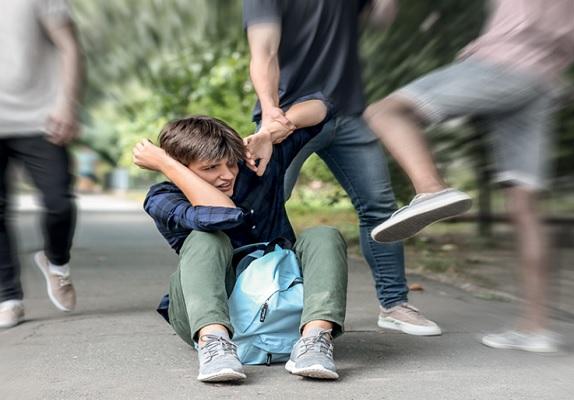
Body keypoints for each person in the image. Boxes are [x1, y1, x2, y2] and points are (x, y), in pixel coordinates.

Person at [364, 0, 574, 352]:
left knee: (385, 112)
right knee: (525, 208)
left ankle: (431, 190)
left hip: (501, 62)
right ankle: (536, 328)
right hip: (542, 80)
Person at [243, 0, 457, 337]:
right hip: (288, 117)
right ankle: (257, 304)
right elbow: (263, 51)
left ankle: (394, 304)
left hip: (347, 115)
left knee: (379, 208)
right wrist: (270, 111)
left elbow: (382, 17)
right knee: (264, 207)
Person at [133, 103, 348, 382]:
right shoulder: (163, 198)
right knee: (205, 238)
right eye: (210, 168)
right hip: (209, 314)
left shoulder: (256, 164)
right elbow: (223, 214)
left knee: (324, 235)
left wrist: (268, 134)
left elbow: (323, 109)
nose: (227, 174)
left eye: (230, 163)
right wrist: (165, 162)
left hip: (284, 301)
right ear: (179, 170)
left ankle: (315, 341)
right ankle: (215, 344)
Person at [0, 0, 83, 328]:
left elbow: (69, 46)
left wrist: (67, 103)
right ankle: (8, 296)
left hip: (41, 118)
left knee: (59, 202)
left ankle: (56, 262)